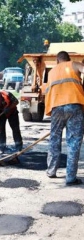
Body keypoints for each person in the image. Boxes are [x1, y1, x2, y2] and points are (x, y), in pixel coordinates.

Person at [45, 51, 84, 186]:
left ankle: (51, 171)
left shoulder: (51, 72)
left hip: (56, 107)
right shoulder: (74, 64)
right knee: (73, 142)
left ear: (57, 61)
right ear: (69, 59)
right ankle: (70, 178)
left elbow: (48, 92)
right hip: (74, 105)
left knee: (54, 139)